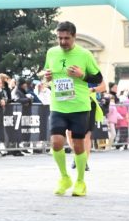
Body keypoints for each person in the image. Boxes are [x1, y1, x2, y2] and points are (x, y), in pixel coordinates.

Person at [41, 21, 103, 197]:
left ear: (74, 37)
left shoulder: (85, 54)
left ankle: (80, 181)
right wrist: (47, 77)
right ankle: (64, 177)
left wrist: (82, 75)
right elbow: (46, 76)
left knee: (78, 145)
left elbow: (98, 79)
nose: (63, 42)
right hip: (58, 105)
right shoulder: (51, 52)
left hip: (79, 106)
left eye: (66, 38)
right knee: (56, 142)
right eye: (59, 38)